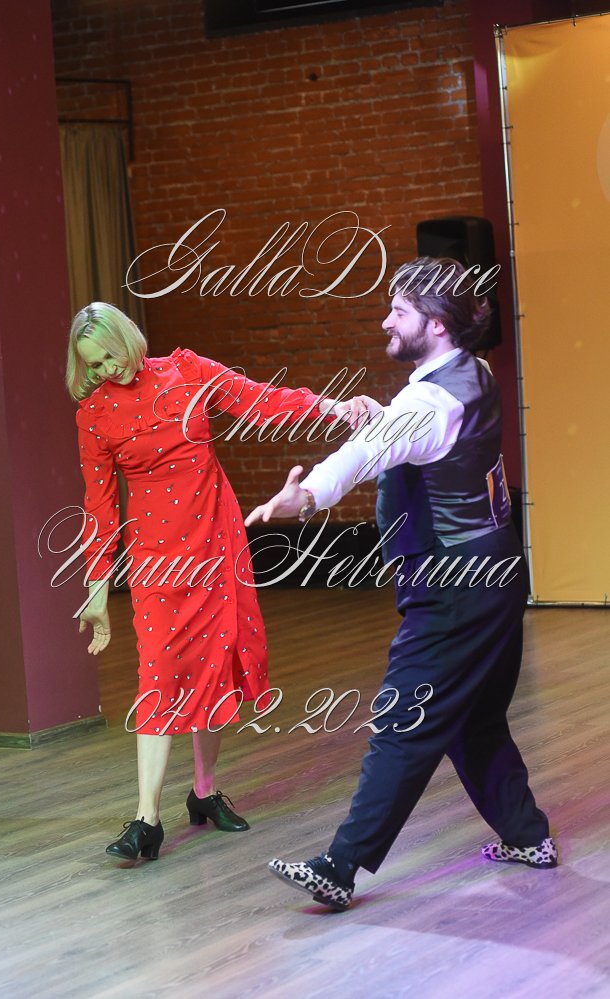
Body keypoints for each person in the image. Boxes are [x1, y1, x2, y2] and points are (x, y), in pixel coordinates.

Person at [245, 257, 556, 911]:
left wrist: (307, 495)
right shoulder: (473, 372)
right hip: (495, 571)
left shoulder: (426, 401)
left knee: (402, 720)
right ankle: (528, 837)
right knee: (474, 717)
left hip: (454, 585)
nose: (385, 320)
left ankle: (340, 866)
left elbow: (366, 453)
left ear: (437, 324)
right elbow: (415, 434)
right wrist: (381, 417)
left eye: (399, 311)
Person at [67, 302, 367, 861]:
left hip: (215, 540)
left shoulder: (188, 370)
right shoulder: (95, 414)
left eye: (110, 355)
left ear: (128, 339)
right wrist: (96, 592)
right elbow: (100, 509)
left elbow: (261, 401)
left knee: (215, 660)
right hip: (157, 557)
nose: (107, 369)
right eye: (94, 364)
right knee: (158, 672)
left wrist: (333, 407)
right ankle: (146, 819)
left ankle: (204, 793)